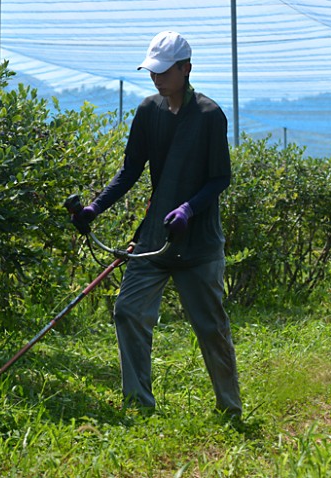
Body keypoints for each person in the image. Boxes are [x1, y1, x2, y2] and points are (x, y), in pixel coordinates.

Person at [71, 31, 242, 418]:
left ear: (186, 69)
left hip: (198, 243)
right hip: (154, 238)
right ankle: (139, 405)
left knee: (210, 326)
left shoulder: (210, 115)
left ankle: (230, 409)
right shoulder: (149, 111)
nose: (157, 78)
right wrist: (94, 209)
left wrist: (189, 210)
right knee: (128, 310)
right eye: (152, 70)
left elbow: (220, 178)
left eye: (165, 71)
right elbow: (131, 169)